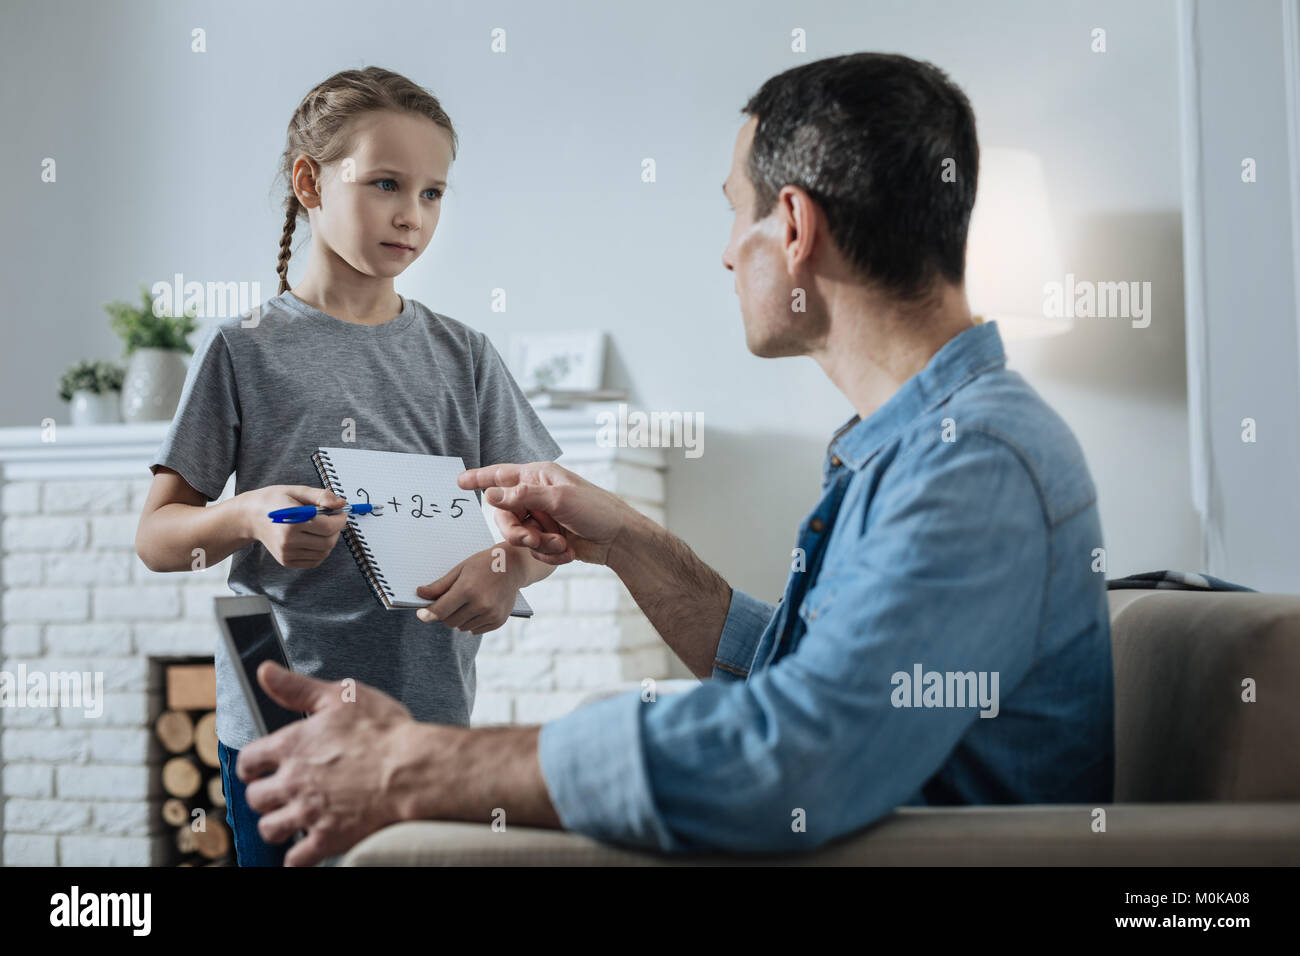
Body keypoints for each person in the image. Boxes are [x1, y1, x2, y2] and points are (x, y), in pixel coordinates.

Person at [234, 52, 1115, 865]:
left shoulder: (974, 464)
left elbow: (794, 756)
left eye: (738, 209)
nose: (728, 250)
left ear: (796, 225)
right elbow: (798, 674)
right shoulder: (921, 446)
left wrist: (412, 764)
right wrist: (625, 540)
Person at [134, 66, 561, 866]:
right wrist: (250, 514)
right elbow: (158, 537)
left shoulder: (463, 355)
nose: (412, 215)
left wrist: (506, 567)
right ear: (310, 182)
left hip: (427, 729)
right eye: (387, 184)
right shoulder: (244, 349)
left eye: (434, 193)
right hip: (280, 724)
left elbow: (540, 528)